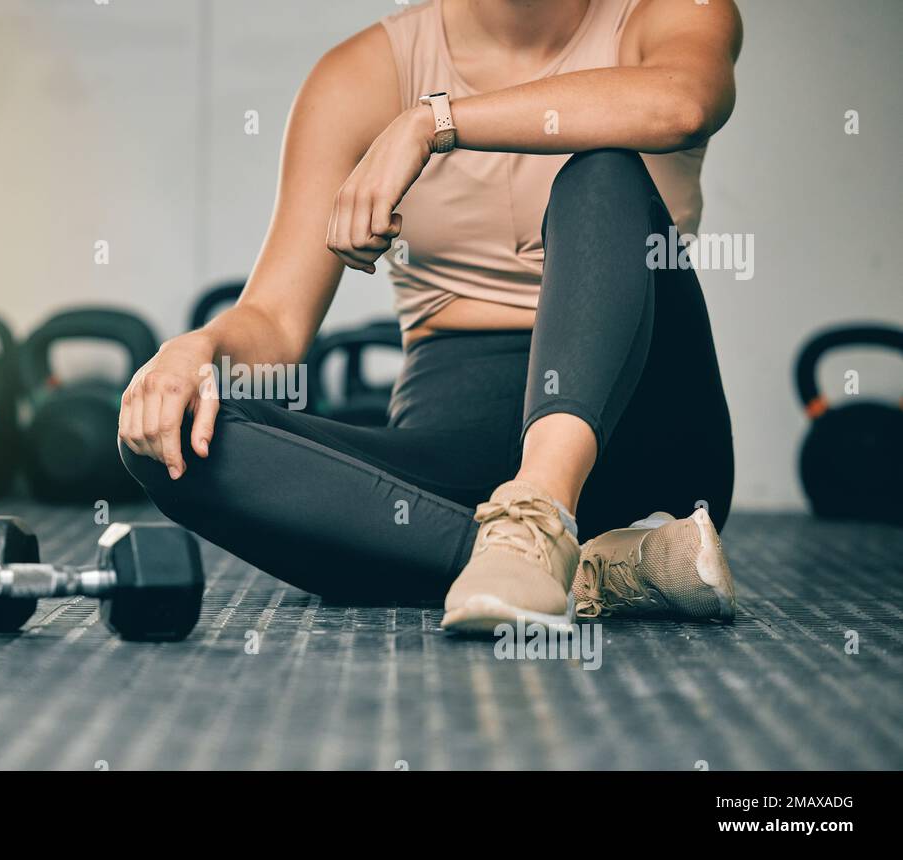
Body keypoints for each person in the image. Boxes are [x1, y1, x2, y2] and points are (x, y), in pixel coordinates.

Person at [118, 0, 742, 634]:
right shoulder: (360, 73)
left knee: (603, 166)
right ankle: (593, 570)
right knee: (168, 437)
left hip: (643, 439)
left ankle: (542, 508)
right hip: (453, 462)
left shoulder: (668, 13)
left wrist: (433, 122)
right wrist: (194, 351)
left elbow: (684, 102)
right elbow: (275, 321)